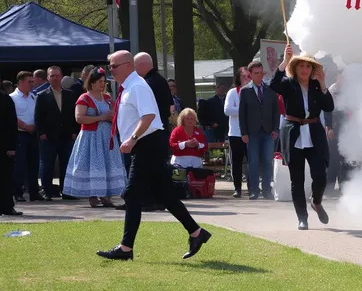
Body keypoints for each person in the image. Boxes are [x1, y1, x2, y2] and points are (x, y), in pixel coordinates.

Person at [96, 50, 210, 261]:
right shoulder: (129, 87)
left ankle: (126, 248)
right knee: (165, 194)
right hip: (147, 144)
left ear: (128, 65)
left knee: (131, 194)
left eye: (113, 66)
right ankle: (196, 232)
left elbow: (148, 116)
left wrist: (132, 138)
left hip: (147, 143)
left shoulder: (137, 86)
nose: (109, 70)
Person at [270, 44, 334, 230]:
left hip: (314, 134)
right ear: (295, 68)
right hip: (294, 134)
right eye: (301, 66)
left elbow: (329, 107)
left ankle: (316, 201)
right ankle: (302, 218)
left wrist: (323, 85)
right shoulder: (288, 84)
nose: (305, 69)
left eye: (308, 66)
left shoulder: (316, 86)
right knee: (297, 180)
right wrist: (284, 62)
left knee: (320, 175)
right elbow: (273, 85)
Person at [63, 67, 127, 208]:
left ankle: (106, 196)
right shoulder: (84, 98)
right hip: (91, 137)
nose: (102, 84)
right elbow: (79, 118)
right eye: (99, 81)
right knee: (93, 164)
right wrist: (101, 117)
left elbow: (115, 114)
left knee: (107, 164)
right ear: (91, 83)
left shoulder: (108, 98)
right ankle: (93, 195)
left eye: (103, 81)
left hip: (106, 136)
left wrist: (113, 118)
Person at [34, 66, 79, 199]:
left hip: (66, 136)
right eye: (52, 76)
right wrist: (41, 132)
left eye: (57, 75)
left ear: (61, 77)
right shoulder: (42, 96)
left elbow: (73, 115)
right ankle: (47, 192)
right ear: (48, 78)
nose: (55, 78)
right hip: (48, 136)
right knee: (47, 165)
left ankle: (66, 192)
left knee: (67, 164)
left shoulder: (70, 94)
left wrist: (74, 132)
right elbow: (38, 116)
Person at [239, 61, 280, 200]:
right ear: (250, 75)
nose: (259, 76)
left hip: (268, 131)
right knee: (253, 162)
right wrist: (243, 132)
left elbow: (276, 111)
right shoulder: (245, 91)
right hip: (252, 132)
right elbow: (241, 114)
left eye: (261, 73)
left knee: (268, 161)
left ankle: (267, 190)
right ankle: (254, 190)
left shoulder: (270, 90)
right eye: (256, 73)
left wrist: (275, 129)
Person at [10, 72, 46, 202]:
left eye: (33, 81)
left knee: (34, 164)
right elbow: (11, 117)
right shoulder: (12, 98)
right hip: (20, 134)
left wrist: (36, 126)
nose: (32, 84)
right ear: (20, 82)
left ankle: (34, 192)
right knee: (20, 164)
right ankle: (17, 192)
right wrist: (25, 126)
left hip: (33, 135)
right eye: (29, 82)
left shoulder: (33, 97)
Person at [224, 67, 251, 198]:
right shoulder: (233, 92)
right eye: (245, 76)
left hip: (251, 133)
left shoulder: (253, 91)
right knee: (237, 162)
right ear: (239, 77)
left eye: (249, 76)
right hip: (235, 133)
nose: (247, 78)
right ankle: (237, 188)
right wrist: (243, 109)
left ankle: (253, 188)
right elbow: (227, 110)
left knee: (252, 161)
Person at [0, 85, 21, 216]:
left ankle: (7, 207)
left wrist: (12, 147)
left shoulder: (5, 99)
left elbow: (12, 124)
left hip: (4, 145)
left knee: (5, 178)